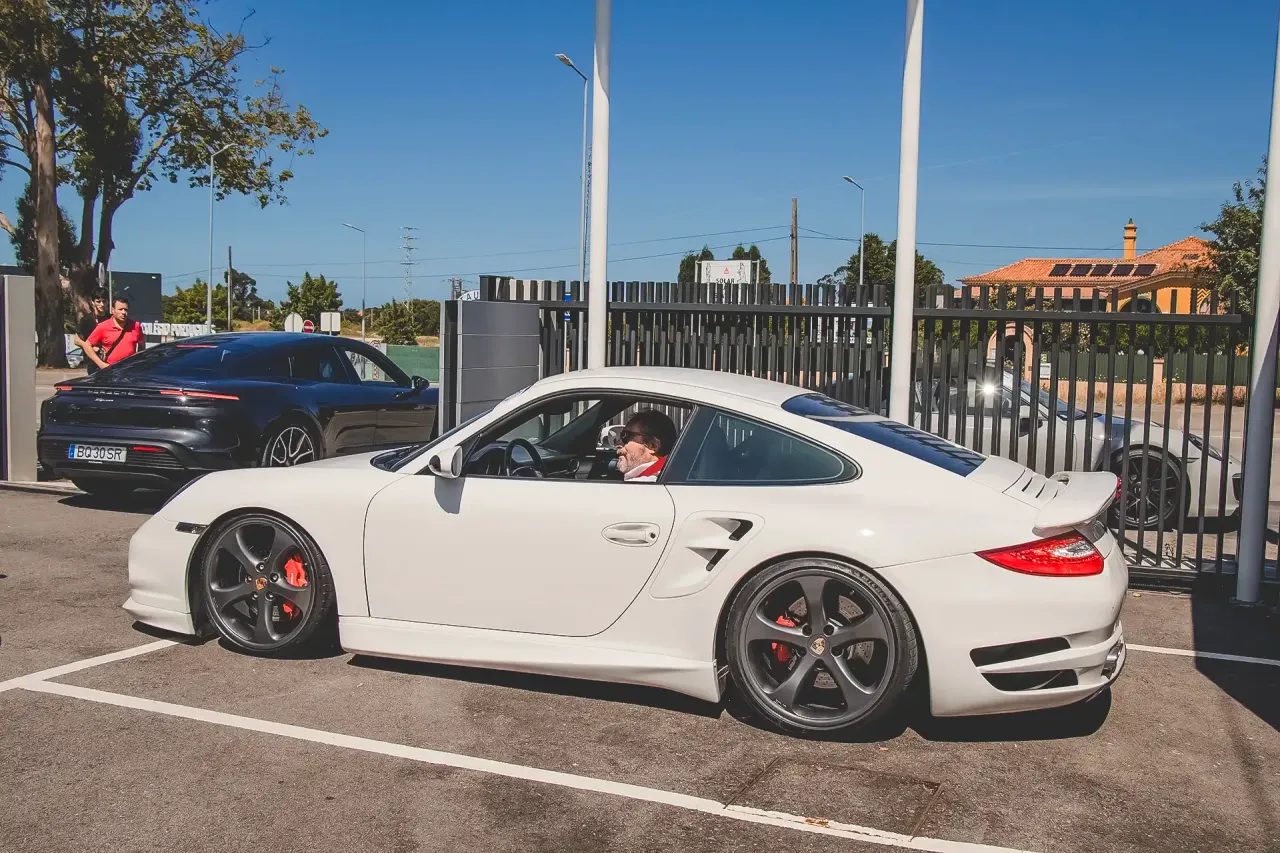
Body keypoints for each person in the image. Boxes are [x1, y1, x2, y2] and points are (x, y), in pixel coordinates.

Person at [83, 295, 143, 370]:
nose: (123, 312)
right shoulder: (103, 327)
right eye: (120, 309)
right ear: (113, 310)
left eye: (126, 309)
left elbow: (141, 345)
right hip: (111, 371)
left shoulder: (136, 326)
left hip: (130, 370)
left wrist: (138, 362)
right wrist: (101, 364)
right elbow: (87, 345)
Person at [616, 409, 678, 482]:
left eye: (626, 436)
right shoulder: (672, 476)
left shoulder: (643, 483)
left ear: (652, 445)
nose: (618, 443)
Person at [72, 293, 108, 374]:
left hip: (110, 360)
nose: (102, 304)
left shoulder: (111, 318)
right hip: (93, 362)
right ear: (92, 302)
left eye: (104, 301)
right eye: (98, 301)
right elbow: (76, 340)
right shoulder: (86, 320)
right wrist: (90, 347)